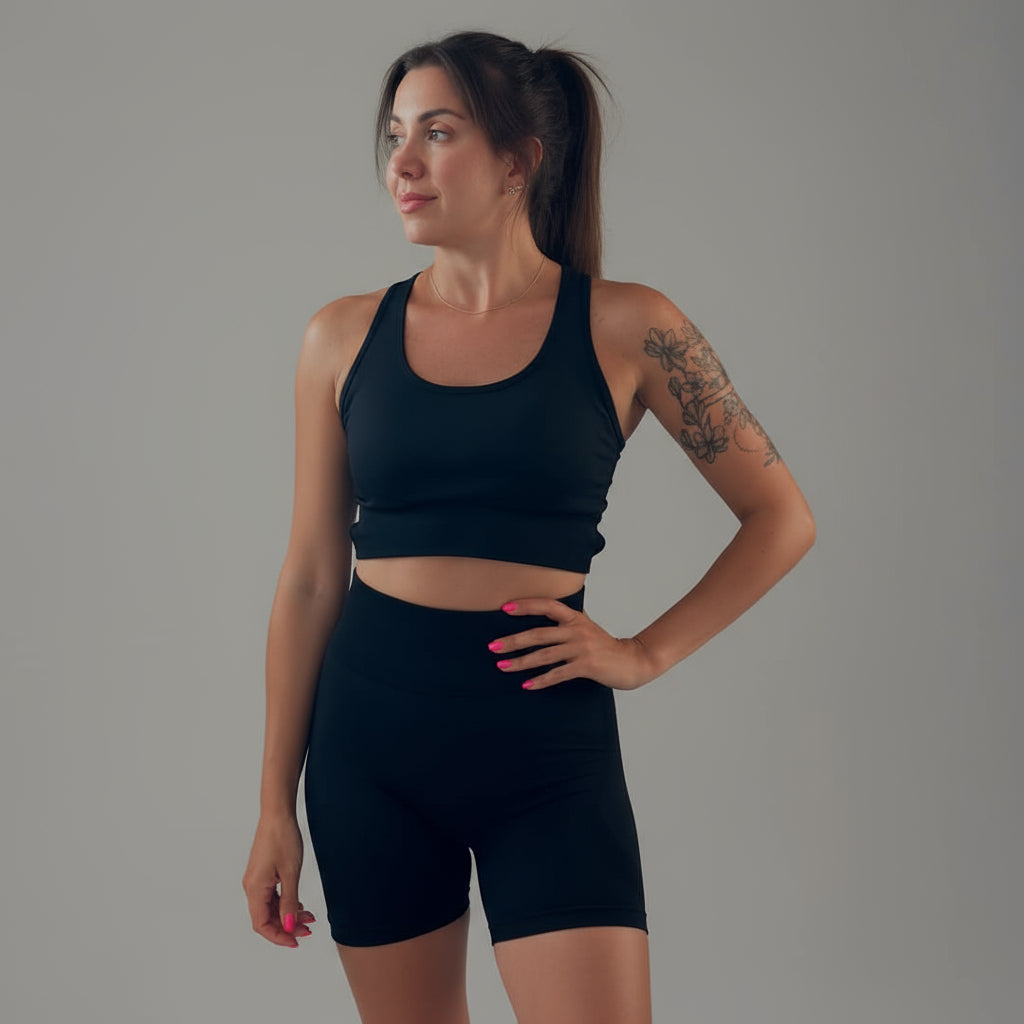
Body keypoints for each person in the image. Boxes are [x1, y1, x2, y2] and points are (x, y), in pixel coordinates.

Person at [242, 29, 815, 1024]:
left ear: (518, 160)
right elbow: (309, 579)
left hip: (545, 754)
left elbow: (782, 518)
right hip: (368, 753)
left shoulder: (633, 326)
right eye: (394, 136)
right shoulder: (338, 337)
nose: (403, 163)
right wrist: (271, 808)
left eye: (437, 133)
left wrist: (643, 653)